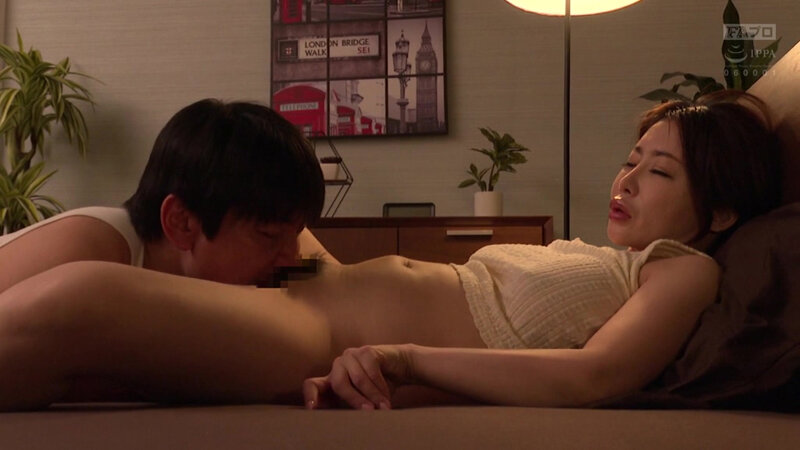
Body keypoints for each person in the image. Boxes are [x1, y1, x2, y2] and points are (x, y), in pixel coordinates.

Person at [0, 91, 781, 411]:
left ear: (720, 208)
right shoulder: (604, 254)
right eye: (632, 159)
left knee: (83, 297)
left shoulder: (686, 268)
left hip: (323, 329)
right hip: (319, 278)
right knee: (207, 183)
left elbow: (595, 375)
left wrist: (404, 359)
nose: (628, 179)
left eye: (661, 171)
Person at [0, 99, 335, 297]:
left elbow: (348, 294)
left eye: (296, 233)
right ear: (182, 222)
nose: (292, 259)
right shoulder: (87, 248)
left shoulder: (280, 241)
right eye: (268, 235)